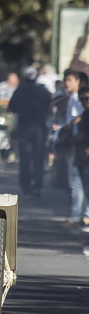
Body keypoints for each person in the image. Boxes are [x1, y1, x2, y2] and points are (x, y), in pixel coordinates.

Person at [7, 66, 51, 197]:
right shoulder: (43, 91)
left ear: (24, 78)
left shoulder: (19, 91)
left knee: (25, 158)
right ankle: (37, 185)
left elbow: (11, 108)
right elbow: (49, 108)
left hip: (24, 129)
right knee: (38, 158)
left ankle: (26, 186)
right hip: (39, 129)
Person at [53, 69, 89, 227]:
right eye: (65, 80)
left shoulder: (78, 99)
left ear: (78, 82)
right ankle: (80, 214)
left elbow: (77, 121)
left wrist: (67, 126)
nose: (67, 83)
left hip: (78, 144)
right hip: (74, 144)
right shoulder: (71, 99)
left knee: (77, 181)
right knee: (77, 181)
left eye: (70, 80)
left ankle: (78, 215)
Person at [73, 86, 89, 232]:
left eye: (87, 98)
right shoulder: (84, 114)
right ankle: (85, 216)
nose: (85, 101)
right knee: (85, 186)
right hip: (82, 155)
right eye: (82, 99)